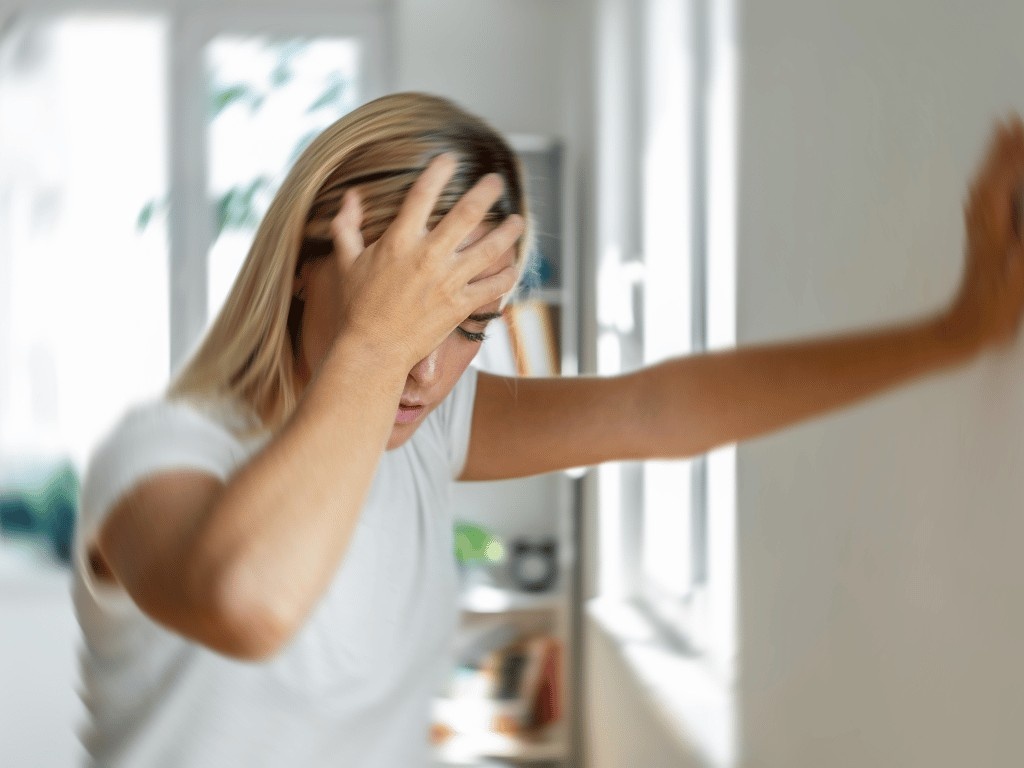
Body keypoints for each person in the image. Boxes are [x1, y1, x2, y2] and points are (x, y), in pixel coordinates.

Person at [72, 91, 1024, 767]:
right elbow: (251, 603)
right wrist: (375, 340)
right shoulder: (157, 457)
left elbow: (658, 409)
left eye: (468, 328)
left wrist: (956, 332)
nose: (426, 371)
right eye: (400, 314)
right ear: (300, 267)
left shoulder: (424, 428)